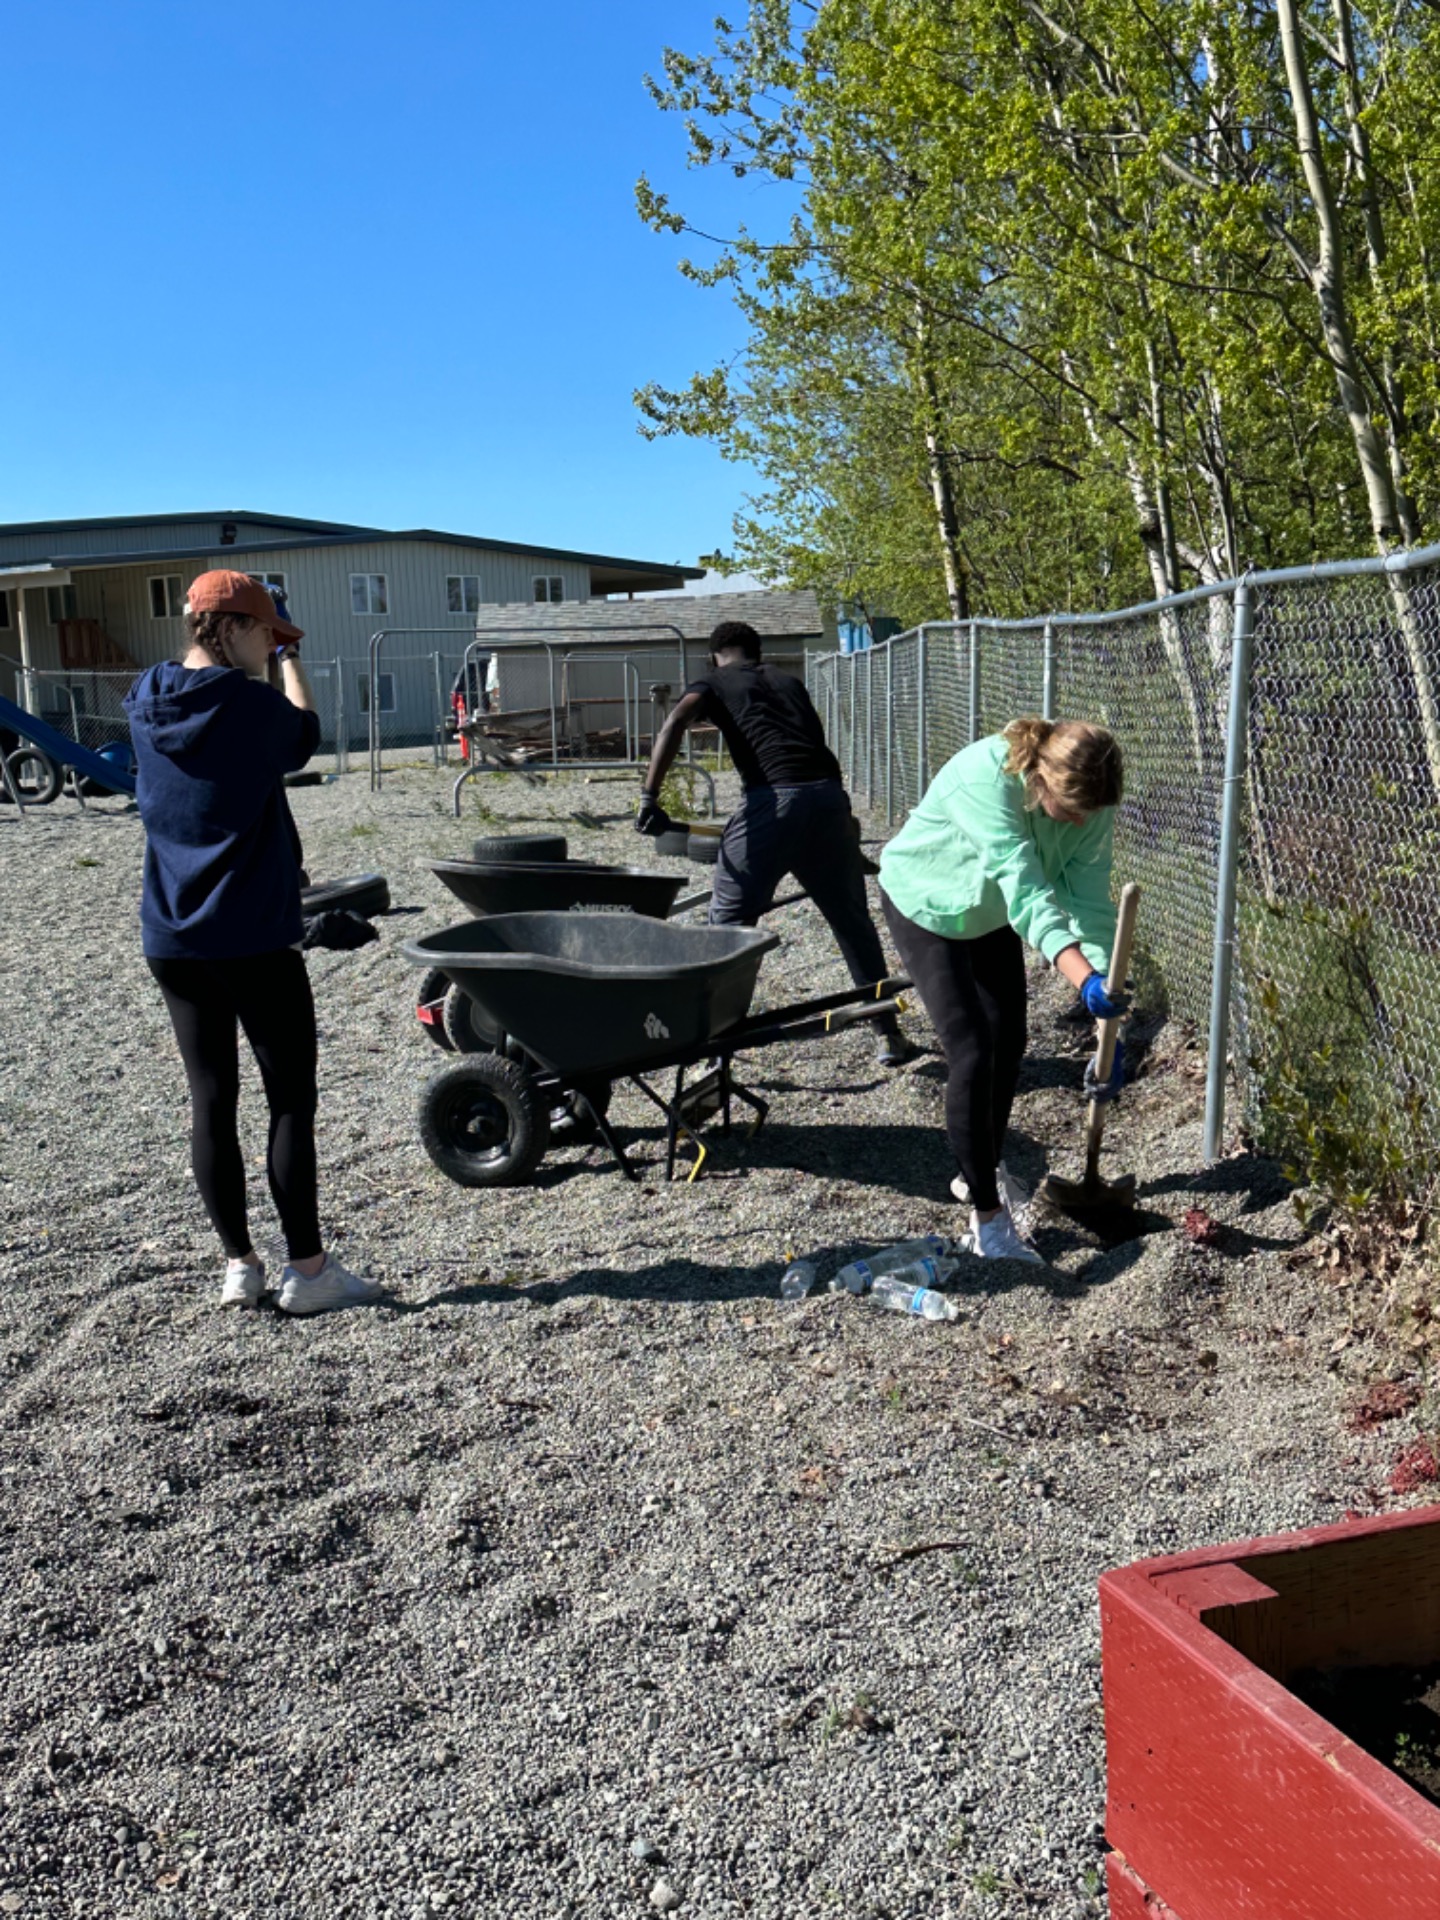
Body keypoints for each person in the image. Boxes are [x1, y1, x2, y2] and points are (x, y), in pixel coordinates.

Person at [124, 570, 382, 1316]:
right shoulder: (249, 703)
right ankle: (309, 1270)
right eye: (266, 633)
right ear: (235, 628)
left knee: (210, 1099)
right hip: (251, 933)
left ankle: (239, 1264)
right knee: (290, 1100)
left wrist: (267, 643)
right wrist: (291, 660)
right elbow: (305, 733)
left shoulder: (146, 695)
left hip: (171, 934)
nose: (272, 647)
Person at [877, 717, 1128, 1263]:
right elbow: (1027, 890)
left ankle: (979, 1174)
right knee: (970, 1049)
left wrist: (1108, 995)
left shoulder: (1091, 804)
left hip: (988, 915)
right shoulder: (986, 779)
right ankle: (989, 1224)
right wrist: (1081, 979)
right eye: (1071, 810)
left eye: (1091, 813)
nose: (1082, 821)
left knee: (1010, 1038)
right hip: (928, 902)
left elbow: (1088, 904)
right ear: (1040, 780)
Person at [636, 620, 911, 1065]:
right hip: (827, 802)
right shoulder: (790, 683)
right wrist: (848, 838)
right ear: (758, 652)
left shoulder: (713, 680)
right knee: (853, 924)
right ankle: (887, 1033)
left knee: (726, 926)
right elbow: (821, 755)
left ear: (713, 656)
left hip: (771, 804)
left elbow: (676, 720)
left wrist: (649, 796)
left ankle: (712, 1047)